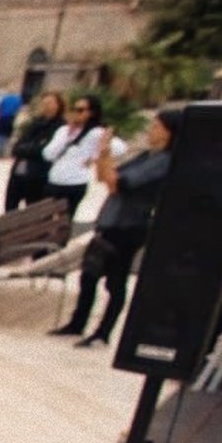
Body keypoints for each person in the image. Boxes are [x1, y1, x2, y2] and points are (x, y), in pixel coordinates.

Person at [51, 107, 181, 346]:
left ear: (168, 132)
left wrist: (105, 154)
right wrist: (104, 152)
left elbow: (116, 183)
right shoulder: (146, 156)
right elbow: (104, 176)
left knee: (115, 281)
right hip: (110, 221)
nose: (150, 130)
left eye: (156, 126)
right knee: (89, 275)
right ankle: (78, 322)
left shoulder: (163, 162)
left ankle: (104, 330)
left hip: (129, 225)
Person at [41, 93, 110, 221]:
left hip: (75, 183)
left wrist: (95, 157)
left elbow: (119, 147)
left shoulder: (96, 133)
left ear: (91, 112)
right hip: (54, 181)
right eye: (74, 109)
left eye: (81, 110)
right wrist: (67, 134)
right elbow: (48, 154)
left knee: (65, 221)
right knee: (45, 219)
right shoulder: (63, 131)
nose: (76, 113)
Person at [4, 91, 65, 211]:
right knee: (10, 207)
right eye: (45, 103)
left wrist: (29, 148)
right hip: (19, 172)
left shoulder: (60, 127)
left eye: (50, 103)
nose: (46, 106)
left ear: (58, 105)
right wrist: (30, 148)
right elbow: (17, 147)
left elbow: (46, 151)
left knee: (33, 209)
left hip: (38, 175)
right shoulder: (35, 123)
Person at [0, 88, 23, 158]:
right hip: (11, 119)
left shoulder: (4, 98)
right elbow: (19, 109)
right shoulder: (18, 99)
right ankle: (1, 153)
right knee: (6, 137)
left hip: (2, 118)